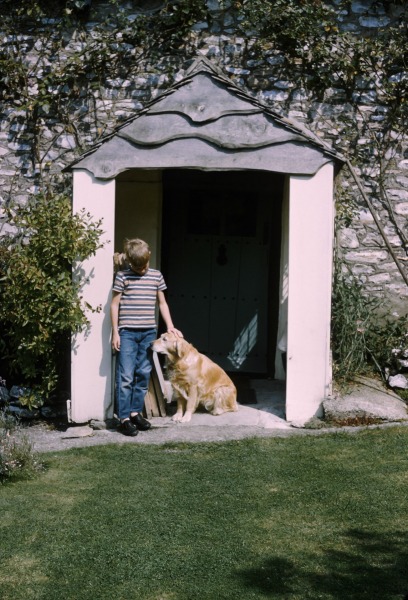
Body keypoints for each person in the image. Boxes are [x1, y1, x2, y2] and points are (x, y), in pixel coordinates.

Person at [111, 238, 182, 436]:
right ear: (130, 262)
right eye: (138, 266)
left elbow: (162, 304)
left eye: (145, 265)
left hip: (148, 333)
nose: (142, 270)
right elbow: (114, 305)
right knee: (126, 376)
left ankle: (135, 413)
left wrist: (170, 326)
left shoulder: (156, 276)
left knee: (142, 373)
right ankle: (123, 418)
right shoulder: (122, 277)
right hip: (127, 333)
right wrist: (115, 332)